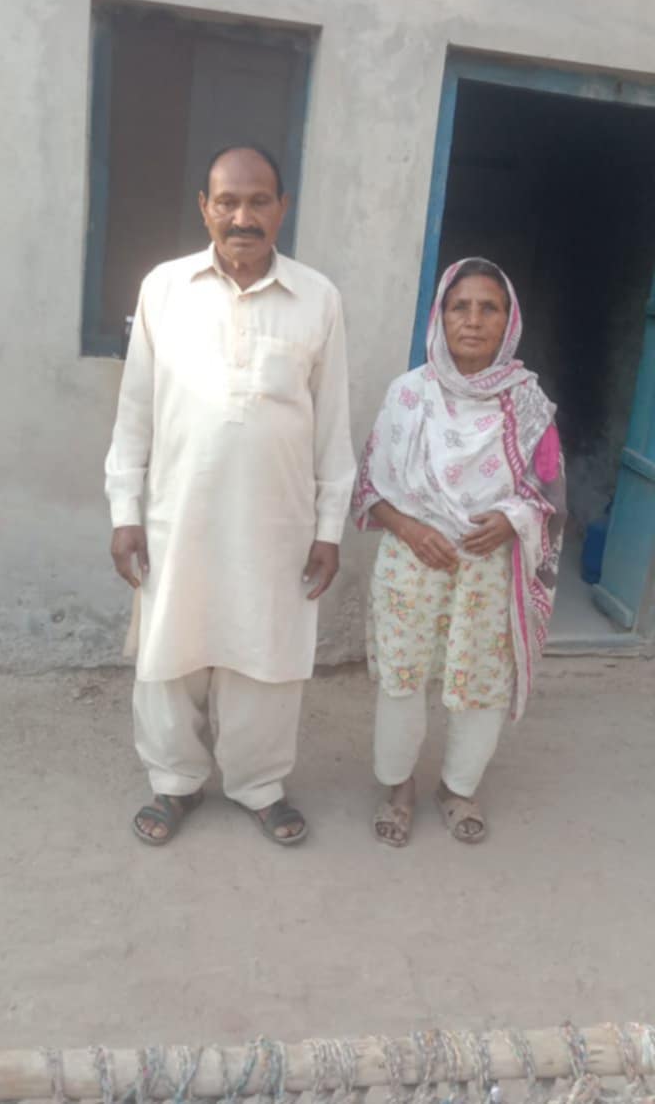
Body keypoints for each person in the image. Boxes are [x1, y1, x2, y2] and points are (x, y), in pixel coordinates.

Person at [106, 146, 355, 847]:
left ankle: (259, 785)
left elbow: (332, 422)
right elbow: (135, 411)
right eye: (227, 202)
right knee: (171, 652)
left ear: (282, 207)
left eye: (258, 201)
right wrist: (125, 513)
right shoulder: (164, 289)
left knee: (266, 655)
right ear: (204, 208)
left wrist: (329, 527)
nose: (243, 217)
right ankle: (173, 780)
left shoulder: (318, 298)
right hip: (177, 515)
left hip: (276, 523)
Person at [352, 258, 565, 847]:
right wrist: (409, 528)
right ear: (439, 317)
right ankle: (398, 786)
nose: (472, 320)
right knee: (403, 678)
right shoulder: (408, 393)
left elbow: (549, 492)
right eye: (459, 307)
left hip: (490, 570)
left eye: (488, 308)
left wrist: (511, 520)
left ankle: (458, 787)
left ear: (509, 320)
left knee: (482, 682)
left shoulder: (528, 402)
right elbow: (369, 486)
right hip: (412, 561)